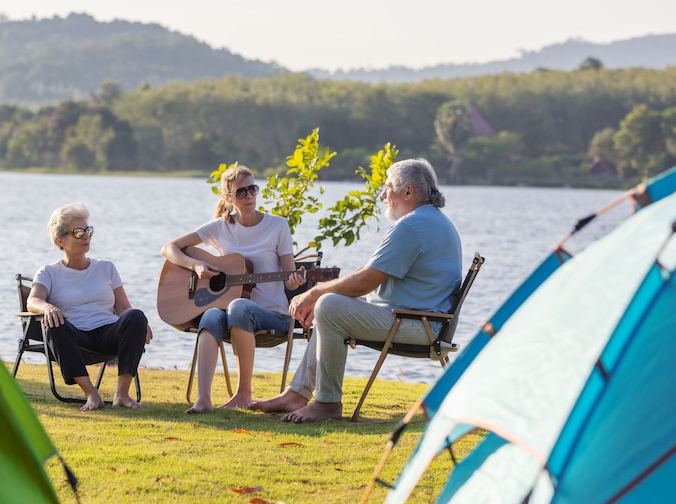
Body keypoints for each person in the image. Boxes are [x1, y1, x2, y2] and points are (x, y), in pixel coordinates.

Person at [251, 158, 462, 422]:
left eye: (388, 187)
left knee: (329, 305)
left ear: (408, 191)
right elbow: (370, 281)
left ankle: (327, 404)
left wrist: (313, 294)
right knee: (332, 305)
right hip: (421, 321)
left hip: (418, 326)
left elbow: (365, 281)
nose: (383, 194)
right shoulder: (430, 220)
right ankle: (297, 393)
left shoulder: (413, 226)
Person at [161, 165, 306, 414]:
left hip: (275, 315)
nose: (249, 196)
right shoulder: (220, 227)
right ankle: (203, 399)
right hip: (233, 316)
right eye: (241, 192)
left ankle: (243, 394)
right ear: (228, 198)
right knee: (211, 315)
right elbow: (169, 248)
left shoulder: (277, 226)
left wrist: (295, 281)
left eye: (252, 189)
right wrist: (195, 265)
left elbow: (289, 279)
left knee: (238, 306)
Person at [28, 202, 152, 411]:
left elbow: (124, 308)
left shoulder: (106, 267)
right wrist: (48, 308)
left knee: (137, 316)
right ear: (61, 240)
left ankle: (122, 394)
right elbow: (33, 301)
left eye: (88, 230)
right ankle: (92, 394)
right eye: (78, 232)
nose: (86, 236)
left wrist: (139, 323)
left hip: (107, 334)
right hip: (75, 337)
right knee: (53, 324)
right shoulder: (48, 272)